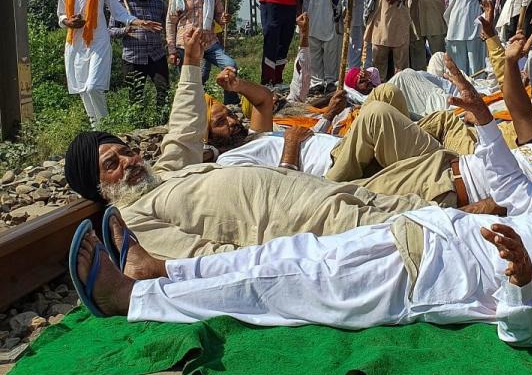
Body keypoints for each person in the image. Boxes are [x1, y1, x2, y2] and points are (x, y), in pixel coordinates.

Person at [68, 73, 532, 347]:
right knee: (280, 258)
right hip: (417, 231)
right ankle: (163, 274)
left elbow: (527, 332)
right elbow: (517, 185)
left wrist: (523, 281)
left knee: (278, 287)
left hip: (420, 278)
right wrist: (482, 119)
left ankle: (136, 301)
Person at [63, 28, 432, 262]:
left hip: (319, 192)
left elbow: (183, 130)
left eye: (124, 150)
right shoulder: (134, 217)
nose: (128, 161)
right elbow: (200, 256)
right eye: (112, 164)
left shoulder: (164, 175)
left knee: (420, 208)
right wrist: (274, 260)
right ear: (100, 188)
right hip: (300, 224)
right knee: (419, 233)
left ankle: (478, 213)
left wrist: (192, 64)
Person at [325, 52, 532, 208]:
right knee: (387, 103)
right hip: (443, 163)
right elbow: (518, 104)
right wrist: (507, 57)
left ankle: (326, 176)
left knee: (338, 200)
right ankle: (335, 169)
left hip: (449, 186)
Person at [58, 0, 162, 126]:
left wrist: (139, 22)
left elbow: (120, 13)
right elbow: (61, 15)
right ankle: (96, 128)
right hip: (75, 45)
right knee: (83, 89)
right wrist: (68, 22)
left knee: (93, 87)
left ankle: (106, 125)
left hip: (99, 42)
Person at [165, 0, 238, 105]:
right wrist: (172, 50)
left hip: (209, 42)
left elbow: (219, 15)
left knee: (231, 65)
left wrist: (223, 18)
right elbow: (170, 23)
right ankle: (190, 110)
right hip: (186, 46)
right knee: (191, 81)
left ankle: (231, 105)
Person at [109, 0, 169, 110]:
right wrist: (126, 30)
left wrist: (169, 42)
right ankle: (138, 124)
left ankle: (162, 121)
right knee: (135, 96)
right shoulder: (121, 5)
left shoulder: (159, 4)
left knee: (163, 90)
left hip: (157, 56)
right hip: (133, 58)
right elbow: (110, 30)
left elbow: (169, 25)